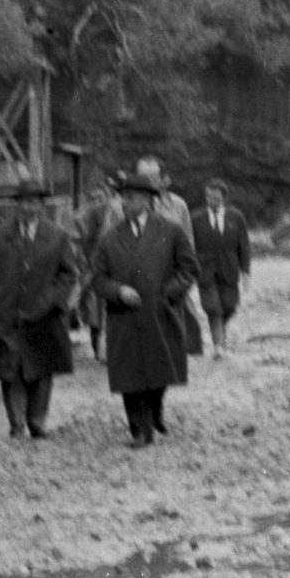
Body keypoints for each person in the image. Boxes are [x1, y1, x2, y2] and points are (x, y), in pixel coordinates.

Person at [91, 172, 198, 448]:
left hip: (160, 312)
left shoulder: (171, 231)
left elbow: (189, 268)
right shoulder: (110, 239)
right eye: (123, 198)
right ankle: (140, 430)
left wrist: (168, 294)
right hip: (123, 316)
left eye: (133, 198)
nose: (126, 204)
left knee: (159, 368)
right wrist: (118, 291)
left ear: (149, 201)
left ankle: (155, 409)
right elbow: (98, 278)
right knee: (129, 374)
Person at [0, 176, 82, 439]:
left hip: (44, 315)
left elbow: (68, 275)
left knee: (41, 368)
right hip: (7, 315)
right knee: (10, 369)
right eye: (23, 202)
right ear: (17, 204)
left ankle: (37, 421)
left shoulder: (57, 237)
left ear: (41, 205)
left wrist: (52, 301)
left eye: (34, 202)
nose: (28, 208)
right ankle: (16, 422)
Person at [133, 155, 207, 358]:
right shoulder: (128, 205)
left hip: (170, 269)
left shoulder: (178, 206)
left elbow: (188, 240)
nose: (148, 182)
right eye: (143, 177)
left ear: (163, 179)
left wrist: (186, 271)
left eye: (153, 177)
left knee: (174, 311)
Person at [191, 178, 252, 359]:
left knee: (230, 306)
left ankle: (221, 333)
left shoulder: (236, 216)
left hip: (230, 269)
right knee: (212, 307)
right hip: (205, 269)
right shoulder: (196, 217)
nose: (212, 201)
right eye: (208, 197)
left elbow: (244, 246)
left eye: (216, 198)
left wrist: (246, 271)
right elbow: (189, 245)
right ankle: (218, 345)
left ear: (224, 198)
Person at [74, 174, 124, 360]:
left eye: (112, 190)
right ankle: (100, 349)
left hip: (117, 263)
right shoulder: (96, 211)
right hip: (98, 263)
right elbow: (85, 233)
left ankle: (112, 348)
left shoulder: (121, 208)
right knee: (96, 307)